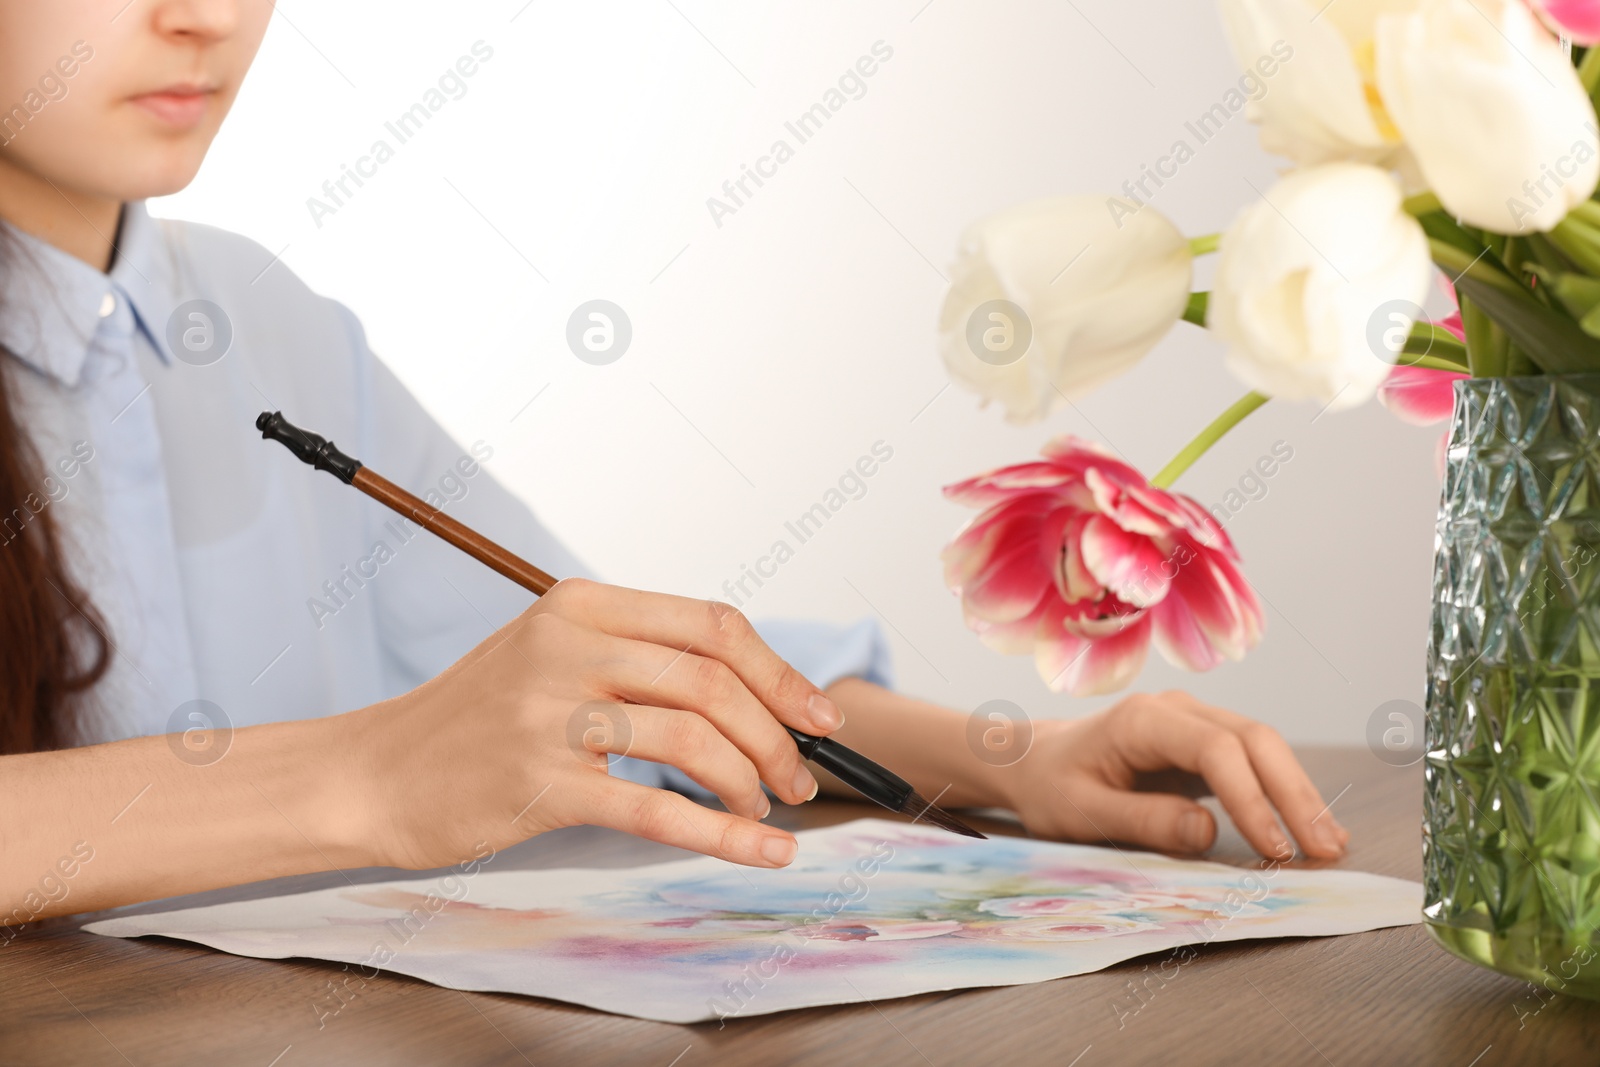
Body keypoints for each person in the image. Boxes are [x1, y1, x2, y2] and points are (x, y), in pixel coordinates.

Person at [0, 0, 1346, 928]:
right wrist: (379, 777)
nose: (205, 15)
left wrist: (1013, 759)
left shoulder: (257, 318)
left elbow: (616, 697)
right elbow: (435, 758)